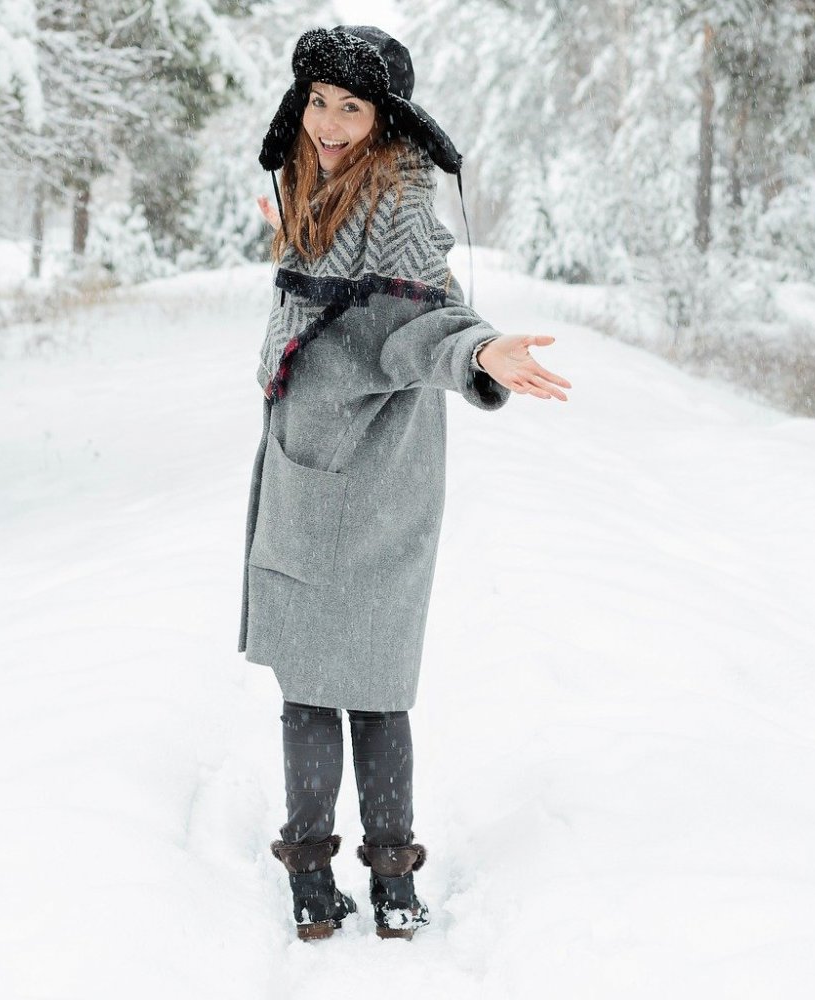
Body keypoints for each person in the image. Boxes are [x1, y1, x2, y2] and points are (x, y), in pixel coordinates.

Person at [238, 24, 571, 942]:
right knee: (312, 685)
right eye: (318, 101)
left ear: (385, 119)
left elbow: (428, 320)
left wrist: (482, 352)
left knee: (374, 686)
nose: (332, 123)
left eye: (352, 107)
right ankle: (319, 879)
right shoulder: (313, 188)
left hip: (378, 476)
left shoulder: (397, 202)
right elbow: (329, 295)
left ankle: (387, 876)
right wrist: (291, 238)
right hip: (311, 467)